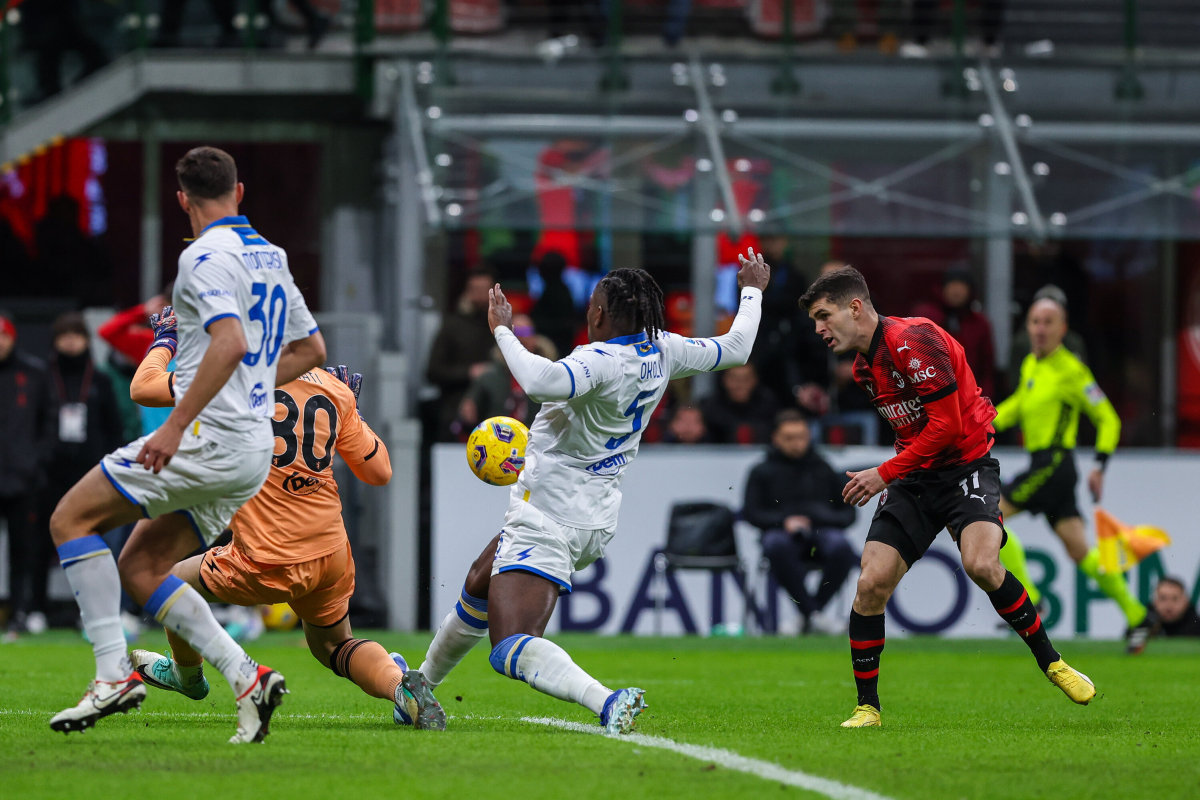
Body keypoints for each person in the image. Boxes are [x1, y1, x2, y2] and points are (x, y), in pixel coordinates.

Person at [413, 252, 770, 733]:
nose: (588, 311)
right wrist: (752, 291)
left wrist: (501, 329)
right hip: (596, 516)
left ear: (599, 314)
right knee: (482, 576)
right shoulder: (663, 350)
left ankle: (606, 701)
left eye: (593, 304)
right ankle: (418, 686)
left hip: (548, 512)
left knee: (509, 645)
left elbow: (541, 382)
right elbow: (738, 348)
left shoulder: (598, 360)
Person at [47, 146, 327, 743]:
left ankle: (112, 676)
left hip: (206, 440)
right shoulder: (271, 256)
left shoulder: (201, 257)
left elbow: (226, 344)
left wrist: (174, 426)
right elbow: (311, 352)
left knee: (70, 519)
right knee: (143, 566)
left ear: (182, 200)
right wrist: (251, 383)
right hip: (252, 450)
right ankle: (246, 676)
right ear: (240, 192)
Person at [799, 266, 1094, 729]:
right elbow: (913, 430)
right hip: (915, 477)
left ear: (855, 307)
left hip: (965, 467)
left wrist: (884, 473)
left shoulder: (913, 340)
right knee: (871, 583)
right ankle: (867, 708)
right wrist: (895, 473)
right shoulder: (863, 368)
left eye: (823, 315)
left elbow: (948, 426)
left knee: (982, 564)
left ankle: (1054, 663)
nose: (818, 329)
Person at [123, 325, 445, 729]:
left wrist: (166, 340)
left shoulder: (230, 377)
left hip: (266, 556)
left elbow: (144, 387)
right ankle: (400, 685)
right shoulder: (333, 387)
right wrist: (353, 413)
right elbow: (379, 472)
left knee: (170, 584)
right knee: (334, 645)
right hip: (329, 553)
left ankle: (187, 677)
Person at [990, 295, 1149, 652]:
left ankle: (1031, 601)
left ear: (1063, 329)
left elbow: (1108, 417)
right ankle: (1138, 615)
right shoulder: (1031, 364)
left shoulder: (1072, 371)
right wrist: (982, 421)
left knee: (988, 516)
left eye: (1048, 322)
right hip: (1046, 467)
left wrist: (1101, 464)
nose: (1040, 329)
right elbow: (1019, 406)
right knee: (1080, 551)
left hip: (1054, 464)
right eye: (1035, 322)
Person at [742, 411, 857, 635]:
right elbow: (752, 513)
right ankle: (814, 616)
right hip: (782, 534)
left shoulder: (823, 468)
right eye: (789, 437)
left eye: (802, 436)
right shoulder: (761, 471)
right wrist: (784, 521)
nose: (797, 443)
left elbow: (847, 515)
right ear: (775, 438)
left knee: (842, 548)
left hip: (821, 532)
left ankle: (809, 615)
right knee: (775, 544)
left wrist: (815, 517)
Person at [0, 311, 52, 638]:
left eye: (2, 335)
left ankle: (20, 611)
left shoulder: (33, 373)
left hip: (22, 478)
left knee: (23, 550)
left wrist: (35, 461)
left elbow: (49, 422)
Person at [426, 269, 500, 441]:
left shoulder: (503, 327)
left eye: (485, 290)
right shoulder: (453, 326)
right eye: (476, 289)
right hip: (455, 411)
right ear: (467, 291)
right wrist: (469, 372)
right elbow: (432, 371)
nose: (481, 295)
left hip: (496, 414)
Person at [458, 314, 556, 430]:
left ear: (534, 338)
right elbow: (468, 414)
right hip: (496, 441)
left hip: (538, 443)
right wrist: (467, 412)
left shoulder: (549, 374)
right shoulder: (489, 376)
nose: (521, 338)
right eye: (516, 333)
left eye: (526, 332)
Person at [913, 266, 997, 400]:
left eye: (961, 286)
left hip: (969, 398)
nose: (956, 291)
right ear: (943, 289)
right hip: (931, 397)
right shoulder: (927, 318)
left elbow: (986, 367)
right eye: (952, 285)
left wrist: (984, 399)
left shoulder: (980, 323)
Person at [697, 363, 778, 445]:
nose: (740, 385)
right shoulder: (709, 407)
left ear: (755, 380)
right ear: (723, 380)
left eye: (746, 379)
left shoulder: (768, 404)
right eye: (734, 379)